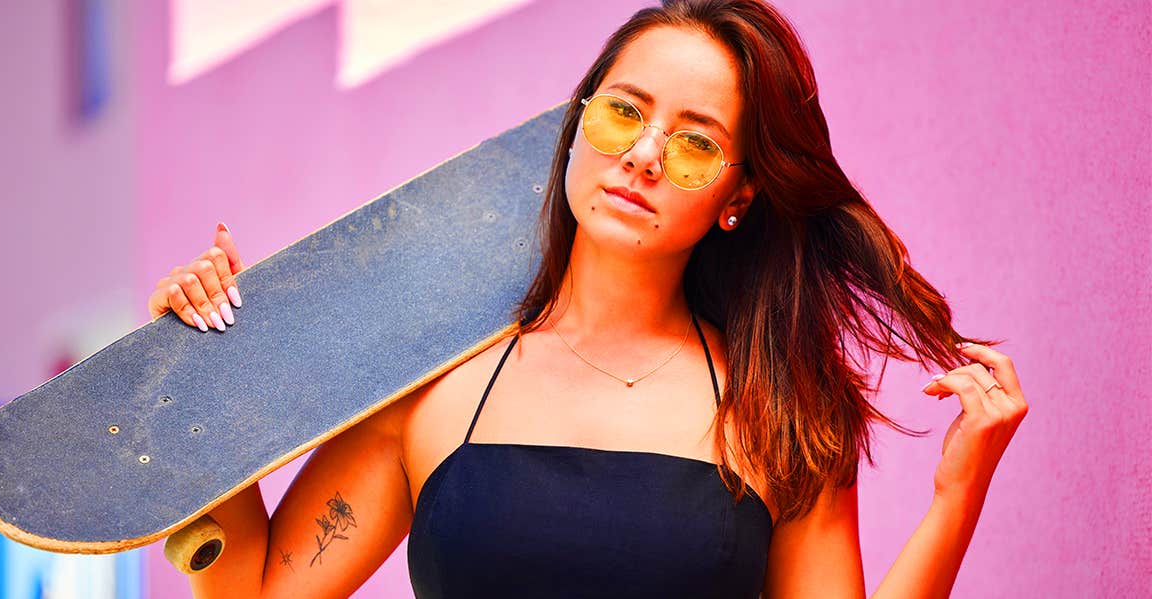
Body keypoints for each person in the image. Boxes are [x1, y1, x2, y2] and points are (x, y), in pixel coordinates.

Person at [147, 1, 1028, 597]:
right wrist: (207, 380)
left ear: (737, 197)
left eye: (693, 144)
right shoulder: (428, 383)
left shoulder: (781, 410)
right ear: (575, 129)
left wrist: (959, 493)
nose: (643, 155)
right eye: (621, 113)